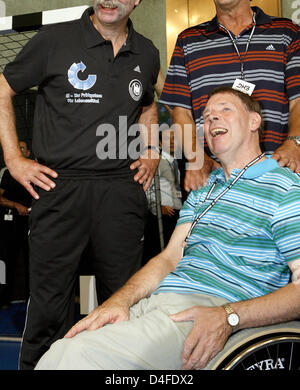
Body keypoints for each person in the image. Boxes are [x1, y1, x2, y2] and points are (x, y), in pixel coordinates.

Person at [35, 87, 300, 371]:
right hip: (159, 302)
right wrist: (118, 302)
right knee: (60, 350)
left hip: (208, 308)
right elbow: (169, 258)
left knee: (71, 359)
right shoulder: (204, 191)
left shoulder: (284, 187)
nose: (211, 120)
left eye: (224, 109)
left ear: (254, 122)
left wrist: (229, 316)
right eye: (206, 116)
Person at [0, 0, 161, 369]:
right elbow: (2, 89)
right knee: (49, 309)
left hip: (121, 195)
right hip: (59, 189)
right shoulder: (54, 40)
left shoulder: (146, 52)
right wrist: (15, 163)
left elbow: (147, 106)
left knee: (123, 304)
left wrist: (151, 150)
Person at [160, 0, 300, 192]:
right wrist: (196, 159)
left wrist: (295, 143)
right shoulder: (189, 41)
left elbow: (299, 100)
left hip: (279, 173)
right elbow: (180, 110)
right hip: (213, 178)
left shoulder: (286, 33)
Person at [0, 141, 32, 308]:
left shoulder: (35, 171)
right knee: (6, 262)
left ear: (28, 152)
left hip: (31, 224)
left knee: (31, 263)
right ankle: (3, 299)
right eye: (17, 147)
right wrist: (16, 205)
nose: (19, 150)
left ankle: (30, 300)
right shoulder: (6, 173)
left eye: (22, 148)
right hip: (9, 225)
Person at [143, 129, 182, 263]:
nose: (171, 142)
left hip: (175, 215)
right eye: (167, 139)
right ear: (159, 142)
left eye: (174, 138)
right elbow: (146, 187)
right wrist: (157, 207)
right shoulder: (156, 161)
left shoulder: (175, 161)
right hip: (159, 216)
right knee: (158, 256)